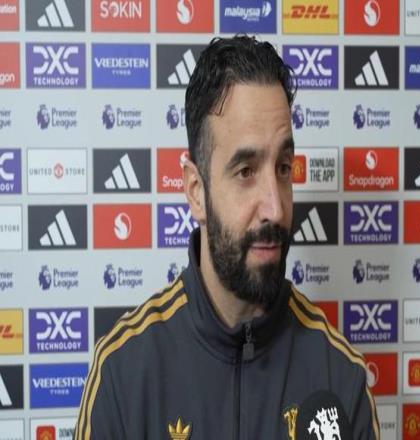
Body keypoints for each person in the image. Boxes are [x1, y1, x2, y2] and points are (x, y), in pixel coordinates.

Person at [75, 35, 379, 440]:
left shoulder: (340, 374)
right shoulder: (122, 373)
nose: (275, 208)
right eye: (246, 171)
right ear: (196, 191)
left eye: (283, 167)